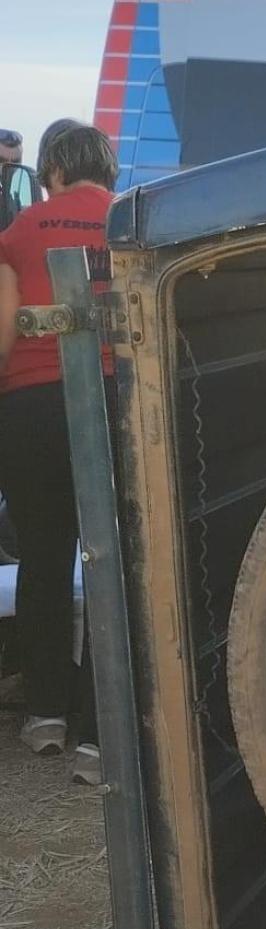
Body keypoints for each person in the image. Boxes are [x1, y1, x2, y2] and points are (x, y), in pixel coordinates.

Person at [0, 125, 119, 785]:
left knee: (44, 556)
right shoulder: (132, 224)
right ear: (108, 169)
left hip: (32, 408)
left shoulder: (18, 232)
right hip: (112, 404)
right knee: (114, 562)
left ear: (49, 170)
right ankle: (100, 734)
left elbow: (3, 335)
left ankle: (45, 714)